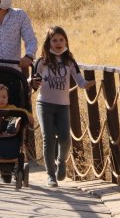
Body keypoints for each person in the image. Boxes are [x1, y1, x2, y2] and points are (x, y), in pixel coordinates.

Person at [32, 26, 94, 188]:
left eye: (61, 40)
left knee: (65, 139)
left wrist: (86, 84)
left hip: (63, 106)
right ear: (48, 43)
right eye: (54, 40)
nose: (58, 43)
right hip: (44, 104)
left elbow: (79, 81)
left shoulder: (69, 61)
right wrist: (31, 82)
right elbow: (33, 81)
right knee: (48, 138)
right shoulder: (42, 61)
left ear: (66, 41)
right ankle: (50, 175)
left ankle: (61, 161)